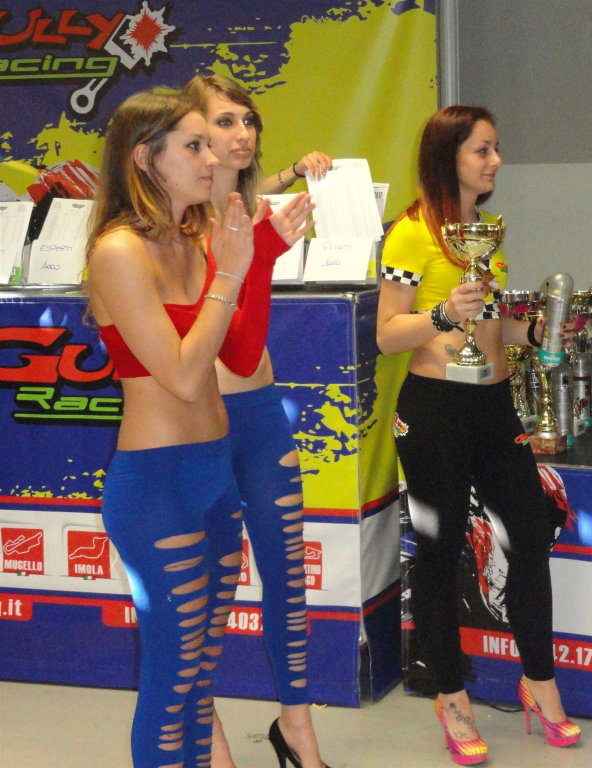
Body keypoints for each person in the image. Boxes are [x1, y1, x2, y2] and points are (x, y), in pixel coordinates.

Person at [376, 104, 579, 765]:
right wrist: (440, 314)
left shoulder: (486, 234)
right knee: (438, 553)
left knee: (529, 537)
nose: (496, 161)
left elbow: (489, 325)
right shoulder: (410, 234)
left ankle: (539, 683)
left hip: (494, 407)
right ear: (448, 158)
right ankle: (451, 696)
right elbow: (387, 335)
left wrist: (536, 331)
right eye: (482, 150)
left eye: (495, 149)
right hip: (434, 409)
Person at [86, 89, 252, 768]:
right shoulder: (118, 252)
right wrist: (230, 275)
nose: (211, 157)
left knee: (200, 675)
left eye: (209, 144)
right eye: (194, 145)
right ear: (144, 159)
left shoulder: (194, 240)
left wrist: (248, 261)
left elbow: (236, 354)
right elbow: (181, 376)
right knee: (172, 675)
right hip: (157, 487)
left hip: (214, 472)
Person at [180, 74, 330, 768]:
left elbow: (247, 343)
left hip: (262, 415)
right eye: (224, 121)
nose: (241, 133)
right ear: (191, 134)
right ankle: (207, 739)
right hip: (201, 423)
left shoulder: (253, 209)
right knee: (206, 598)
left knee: (288, 579)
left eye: (248, 120)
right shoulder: (176, 225)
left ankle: (297, 731)